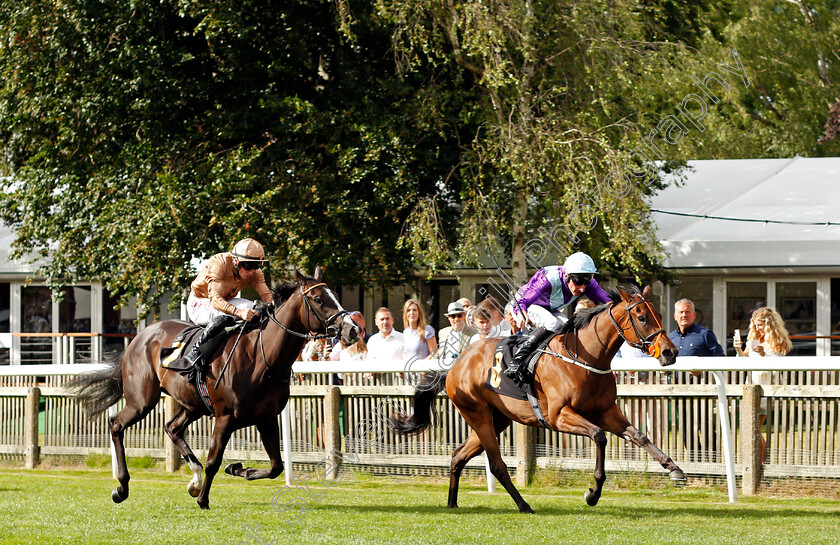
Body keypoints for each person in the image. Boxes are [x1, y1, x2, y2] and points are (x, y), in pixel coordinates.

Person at [503, 252, 612, 381]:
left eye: (586, 282)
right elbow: (523, 301)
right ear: (566, 276)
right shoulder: (548, 280)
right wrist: (521, 313)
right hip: (523, 305)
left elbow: (610, 301)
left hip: (548, 308)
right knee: (552, 323)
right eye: (578, 282)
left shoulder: (587, 285)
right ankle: (517, 362)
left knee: (567, 327)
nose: (582, 288)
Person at [184, 237, 273, 368]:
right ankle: (195, 352)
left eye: (257, 266)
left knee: (256, 309)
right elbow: (215, 301)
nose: (252, 272)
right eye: (248, 266)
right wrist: (240, 312)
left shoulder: (254, 272)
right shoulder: (218, 264)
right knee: (227, 317)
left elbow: (267, 296)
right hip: (201, 302)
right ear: (236, 261)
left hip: (226, 300)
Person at [734, 306, 792, 464]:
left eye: (760, 325)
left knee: (754, 427)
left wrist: (763, 354)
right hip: (750, 386)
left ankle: (761, 465)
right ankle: (757, 464)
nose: (758, 328)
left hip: (764, 389)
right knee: (750, 427)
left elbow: (777, 368)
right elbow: (744, 360)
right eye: (755, 325)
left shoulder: (777, 341)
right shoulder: (754, 339)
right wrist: (739, 349)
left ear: (770, 324)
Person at [435, 302, 477, 368]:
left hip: (462, 370)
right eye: (453, 316)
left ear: (464, 316)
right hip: (442, 370)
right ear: (449, 318)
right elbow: (439, 353)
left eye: (459, 315)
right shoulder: (443, 332)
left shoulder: (473, 333)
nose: (456, 319)